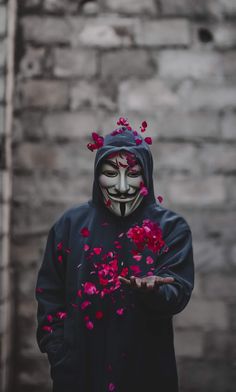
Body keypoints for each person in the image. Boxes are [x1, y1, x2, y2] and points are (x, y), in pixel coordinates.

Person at [35, 118, 194, 392]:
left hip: (146, 373)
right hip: (79, 376)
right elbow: (50, 295)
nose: (122, 187)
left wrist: (154, 291)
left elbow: (177, 292)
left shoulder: (171, 228)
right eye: (111, 172)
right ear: (97, 174)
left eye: (132, 174)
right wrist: (60, 353)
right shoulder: (70, 225)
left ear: (146, 175)